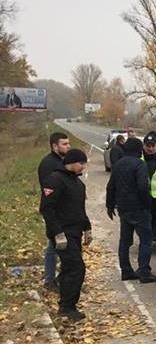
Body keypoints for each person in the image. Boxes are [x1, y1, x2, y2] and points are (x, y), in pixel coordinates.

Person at [40, 149, 92, 321]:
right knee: (77, 268)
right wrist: (57, 233)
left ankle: (65, 299)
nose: (83, 166)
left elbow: (79, 210)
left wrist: (87, 228)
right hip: (62, 233)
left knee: (70, 268)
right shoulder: (55, 180)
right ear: (72, 162)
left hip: (75, 232)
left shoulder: (78, 184)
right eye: (81, 163)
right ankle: (67, 306)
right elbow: (47, 209)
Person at [106, 137, 156, 283]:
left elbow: (111, 186)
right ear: (139, 149)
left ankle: (126, 270)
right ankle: (144, 271)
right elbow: (143, 187)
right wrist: (147, 204)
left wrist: (109, 205)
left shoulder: (117, 165)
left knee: (125, 240)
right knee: (146, 239)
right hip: (139, 208)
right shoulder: (139, 164)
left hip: (123, 207)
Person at [38, 131, 71, 291]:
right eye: (64, 144)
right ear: (54, 146)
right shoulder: (49, 164)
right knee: (53, 244)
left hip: (62, 210)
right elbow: (49, 192)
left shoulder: (58, 161)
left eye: (68, 143)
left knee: (56, 245)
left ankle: (58, 278)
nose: (68, 146)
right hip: (54, 211)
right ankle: (50, 280)